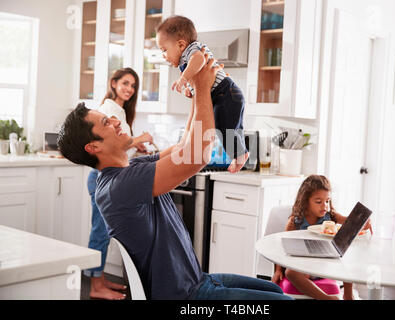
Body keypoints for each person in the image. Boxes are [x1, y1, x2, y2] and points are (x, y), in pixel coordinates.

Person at [57, 55, 292, 300]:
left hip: (197, 279)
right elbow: (197, 156)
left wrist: (198, 95)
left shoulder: (129, 169)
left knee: (274, 290)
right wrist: (202, 86)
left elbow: (183, 148)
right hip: (187, 296)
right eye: (106, 122)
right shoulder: (120, 186)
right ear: (93, 147)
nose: (116, 120)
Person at [84, 67, 154, 300]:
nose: (129, 89)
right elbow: (111, 145)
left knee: (106, 232)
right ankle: (95, 285)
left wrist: (136, 145)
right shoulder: (108, 109)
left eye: (133, 86)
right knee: (100, 232)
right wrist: (139, 139)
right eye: (125, 83)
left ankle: (101, 280)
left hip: (113, 177)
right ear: (113, 83)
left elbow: (120, 143)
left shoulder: (121, 111)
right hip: (102, 177)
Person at [156, 15, 249, 173]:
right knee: (233, 128)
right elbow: (199, 80)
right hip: (228, 94)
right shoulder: (185, 59)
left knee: (223, 127)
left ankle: (240, 155)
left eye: (164, 50)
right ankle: (241, 153)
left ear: (180, 44)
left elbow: (199, 60)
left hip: (225, 92)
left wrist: (184, 78)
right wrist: (190, 89)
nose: (163, 56)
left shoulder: (193, 50)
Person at [271, 175, 373, 300]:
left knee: (346, 255)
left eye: (327, 201)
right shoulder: (295, 221)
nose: (324, 206)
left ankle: (348, 294)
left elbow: (349, 222)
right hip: (303, 266)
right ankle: (325, 298)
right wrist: (277, 270)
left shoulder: (331, 216)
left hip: (324, 263)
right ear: (305, 201)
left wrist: (362, 221)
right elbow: (281, 247)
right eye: (318, 202)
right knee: (290, 273)